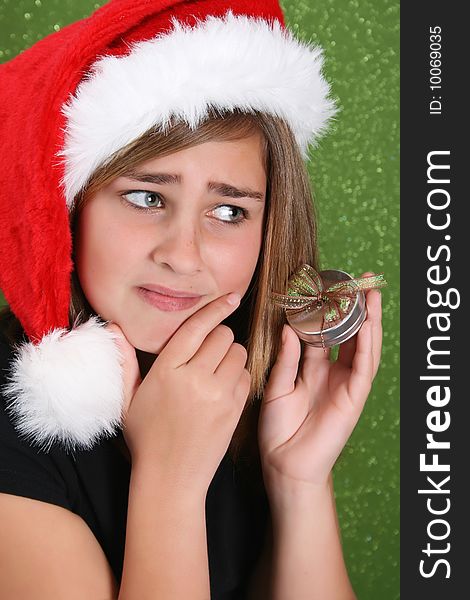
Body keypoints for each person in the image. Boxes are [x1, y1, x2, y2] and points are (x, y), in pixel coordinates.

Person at [0, 1, 383, 598]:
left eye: (229, 211)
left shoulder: (232, 389)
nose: (184, 254)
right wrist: (170, 481)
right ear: (66, 206)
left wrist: (299, 480)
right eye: (147, 197)